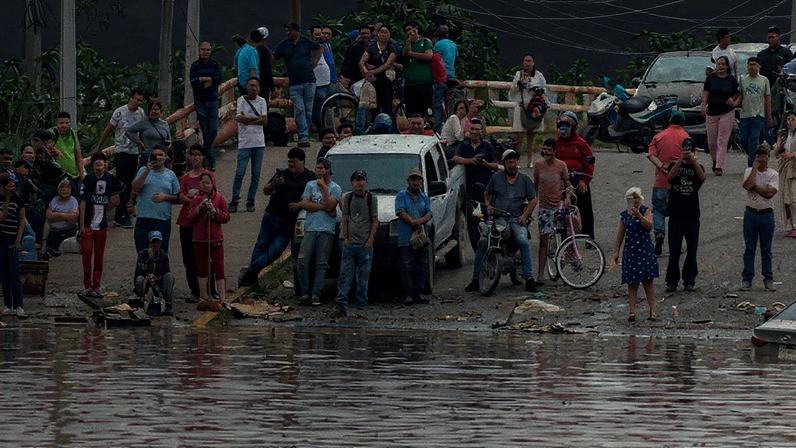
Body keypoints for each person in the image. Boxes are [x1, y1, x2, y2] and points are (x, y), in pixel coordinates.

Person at [465, 149, 539, 293]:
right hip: (499, 218)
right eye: (509, 162)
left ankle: (529, 278)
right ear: (504, 163)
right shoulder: (496, 178)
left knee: (523, 241)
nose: (512, 165)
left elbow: (533, 199)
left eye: (514, 162)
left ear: (518, 162)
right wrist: (489, 205)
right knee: (482, 241)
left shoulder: (525, 180)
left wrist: (524, 216)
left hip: (516, 219)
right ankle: (475, 278)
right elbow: (487, 193)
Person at [240, 147, 315, 286]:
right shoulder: (282, 174)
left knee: (275, 251)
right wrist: (275, 184)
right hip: (271, 216)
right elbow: (266, 190)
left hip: (287, 223)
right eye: (289, 162)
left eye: (294, 162)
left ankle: (250, 271)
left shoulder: (310, 177)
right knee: (261, 245)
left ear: (302, 162)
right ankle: (252, 278)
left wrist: (299, 205)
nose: (291, 165)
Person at [94, 88, 145, 229]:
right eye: (137, 99)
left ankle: (119, 216)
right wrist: (99, 145)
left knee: (129, 184)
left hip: (134, 152)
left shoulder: (141, 113)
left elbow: (142, 130)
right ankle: (125, 217)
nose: (139, 103)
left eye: (141, 100)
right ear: (131, 98)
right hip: (121, 151)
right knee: (122, 184)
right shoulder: (119, 112)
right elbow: (109, 129)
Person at [332, 170, 379, 318]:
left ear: (366, 181)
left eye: (361, 180)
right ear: (352, 182)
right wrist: (345, 238)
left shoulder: (371, 198)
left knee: (363, 278)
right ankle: (341, 307)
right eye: (356, 180)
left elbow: (375, 221)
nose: (359, 183)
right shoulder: (348, 198)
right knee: (345, 276)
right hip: (350, 245)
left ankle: (361, 308)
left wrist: (370, 240)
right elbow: (345, 219)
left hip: (365, 246)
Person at [295, 158, 341, 306]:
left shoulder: (335, 188)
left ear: (328, 170)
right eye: (317, 168)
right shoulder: (310, 185)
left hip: (326, 230)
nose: (319, 171)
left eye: (322, 168)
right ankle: (305, 293)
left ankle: (316, 294)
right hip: (310, 228)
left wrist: (325, 189)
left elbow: (331, 204)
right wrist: (323, 208)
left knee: (321, 263)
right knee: (302, 260)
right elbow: (304, 203)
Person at [79, 152, 124, 298]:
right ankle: (87, 285)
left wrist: (111, 199)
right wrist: (80, 225)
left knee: (99, 255)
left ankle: (96, 285)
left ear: (106, 163)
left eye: (101, 160)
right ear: (92, 164)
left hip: (102, 224)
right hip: (87, 223)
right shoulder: (88, 179)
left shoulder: (110, 178)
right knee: (86, 253)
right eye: (95, 160)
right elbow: (83, 202)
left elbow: (121, 188)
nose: (98, 163)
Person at [664, 138, 706, 293]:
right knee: (674, 250)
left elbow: (702, 178)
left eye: (689, 149)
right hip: (676, 214)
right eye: (684, 149)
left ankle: (689, 280)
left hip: (692, 214)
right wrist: (680, 160)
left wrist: (693, 161)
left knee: (692, 250)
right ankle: (672, 281)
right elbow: (669, 178)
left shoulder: (698, 166)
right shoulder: (674, 165)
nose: (687, 152)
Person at [451, 119, 499, 249]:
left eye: (477, 129)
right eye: (472, 129)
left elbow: (495, 165)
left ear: (481, 131)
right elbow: (455, 158)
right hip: (471, 192)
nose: (474, 132)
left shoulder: (487, 146)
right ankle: (479, 250)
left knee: (490, 220)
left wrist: (484, 164)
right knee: (473, 222)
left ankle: (492, 248)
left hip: (487, 192)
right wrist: (470, 161)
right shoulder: (464, 146)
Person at [274, 22, 323, 148]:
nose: (288, 33)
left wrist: (315, 62)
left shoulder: (306, 42)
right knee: (299, 110)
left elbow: (319, 48)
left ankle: (305, 133)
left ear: (297, 31)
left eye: (290, 30)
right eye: (287, 31)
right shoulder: (283, 45)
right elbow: (273, 58)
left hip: (309, 81)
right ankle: (303, 137)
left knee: (308, 111)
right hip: (294, 83)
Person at [613, 187, 658, 322]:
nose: (635, 201)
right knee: (632, 282)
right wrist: (616, 252)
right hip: (631, 251)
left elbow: (649, 226)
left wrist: (639, 215)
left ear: (641, 198)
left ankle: (652, 310)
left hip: (644, 250)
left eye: (636, 198)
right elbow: (620, 235)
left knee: (647, 281)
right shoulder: (625, 215)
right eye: (632, 199)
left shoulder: (646, 210)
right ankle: (631, 311)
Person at [646, 110, 688, 255]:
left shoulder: (658, 136)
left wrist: (662, 166)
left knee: (658, 209)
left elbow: (650, 155)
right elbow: (691, 158)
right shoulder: (686, 137)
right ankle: (676, 243)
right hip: (679, 182)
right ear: (683, 122)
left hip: (661, 182)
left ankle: (659, 233)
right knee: (678, 214)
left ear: (670, 121)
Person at [177, 145, 216, 302]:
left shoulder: (209, 175)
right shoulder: (185, 178)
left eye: (198, 155)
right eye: (192, 155)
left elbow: (213, 195)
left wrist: (193, 199)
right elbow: (181, 197)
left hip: (203, 222)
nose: (195, 158)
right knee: (189, 258)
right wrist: (195, 200)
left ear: (203, 157)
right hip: (186, 221)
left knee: (206, 256)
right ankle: (194, 290)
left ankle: (210, 289)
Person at [741, 145, 779, 291]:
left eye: (763, 156)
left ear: (767, 157)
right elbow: (746, 185)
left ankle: (768, 278)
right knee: (749, 248)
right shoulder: (749, 171)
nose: (760, 159)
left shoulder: (773, 174)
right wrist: (754, 170)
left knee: (766, 249)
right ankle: (747, 278)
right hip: (751, 213)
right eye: (758, 156)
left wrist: (754, 187)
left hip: (766, 214)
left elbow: (770, 193)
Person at [188, 172, 230, 302]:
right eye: (202, 183)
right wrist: (199, 208)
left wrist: (214, 211)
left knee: (219, 266)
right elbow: (190, 218)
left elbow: (226, 217)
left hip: (215, 238)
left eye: (208, 183)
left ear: (212, 184)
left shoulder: (219, 198)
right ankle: (203, 295)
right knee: (202, 267)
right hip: (200, 239)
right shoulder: (195, 199)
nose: (205, 185)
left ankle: (222, 295)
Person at [131, 145, 180, 253]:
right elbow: (135, 188)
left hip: (162, 219)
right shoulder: (143, 170)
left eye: (160, 155)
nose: (157, 157)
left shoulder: (171, 175)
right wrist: (147, 171)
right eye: (154, 155)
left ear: (166, 157)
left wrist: (165, 197)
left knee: (161, 253)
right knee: (142, 253)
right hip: (144, 218)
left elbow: (178, 198)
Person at [532, 138, 569, 283]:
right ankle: (540, 275)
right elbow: (534, 186)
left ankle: (567, 258)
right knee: (543, 242)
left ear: (554, 151)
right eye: (544, 149)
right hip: (545, 208)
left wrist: (566, 198)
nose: (545, 152)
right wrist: (531, 202)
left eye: (548, 150)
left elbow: (567, 184)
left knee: (567, 233)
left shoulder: (561, 166)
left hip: (559, 206)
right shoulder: (538, 165)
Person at [555, 111, 596, 239]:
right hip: (562, 181)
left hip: (578, 180)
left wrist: (585, 180)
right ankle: (565, 237)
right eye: (561, 124)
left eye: (567, 125)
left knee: (585, 208)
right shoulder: (556, 143)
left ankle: (588, 236)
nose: (563, 128)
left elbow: (590, 162)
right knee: (563, 209)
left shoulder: (581, 143)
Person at [396, 168, 433, 304]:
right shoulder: (401, 195)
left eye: (418, 179)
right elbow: (400, 212)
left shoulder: (425, 197)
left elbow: (429, 213)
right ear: (408, 181)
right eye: (413, 179)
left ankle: (419, 292)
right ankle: (408, 293)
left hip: (421, 237)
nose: (416, 182)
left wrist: (419, 222)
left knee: (421, 265)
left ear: (422, 182)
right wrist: (413, 222)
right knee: (407, 265)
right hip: (406, 238)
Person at [231, 77, 268, 213]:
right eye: (251, 85)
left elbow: (264, 121)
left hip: (259, 142)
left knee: (256, 174)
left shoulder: (262, 101)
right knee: (240, 172)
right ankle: (235, 199)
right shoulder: (241, 100)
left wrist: (248, 119)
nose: (254, 88)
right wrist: (255, 119)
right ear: (246, 87)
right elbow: (239, 118)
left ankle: (250, 200)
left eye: (256, 86)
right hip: (244, 142)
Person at [701, 56, 740, 176]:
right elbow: (706, 93)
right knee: (712, 142)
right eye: (719, 64)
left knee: (722, 140)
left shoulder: (731, 79)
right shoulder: (711, 78)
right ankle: (714, 160)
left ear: (727, 66)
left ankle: (719, 166)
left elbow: (738, 93)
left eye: (723, 64)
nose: (721, 67)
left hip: (726, 112)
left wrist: (733, 101)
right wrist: (703, 106)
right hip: (712, 112)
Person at [189, 41, 222, 170]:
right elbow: (194, 82)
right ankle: (209, 161)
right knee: (206, 130)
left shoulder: (215, 65)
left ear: (211, 51)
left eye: (208, 50)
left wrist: (204, 80)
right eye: (203, 49)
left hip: (213, 100)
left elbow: (218, 79)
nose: (205, 52)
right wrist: (208, 80)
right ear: (199, 50)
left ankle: (203, 152)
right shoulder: (195, 65)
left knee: (214, 130)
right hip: (200, 101)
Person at [510, 54, 547, 168]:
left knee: (531, 135)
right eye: (525, 61)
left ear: (533, 62)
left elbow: (544, 89)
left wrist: (538, 90)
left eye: (529, 61)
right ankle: (516, 161)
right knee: (519, 136)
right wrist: (518, 84)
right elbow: (512, 90)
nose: (527, 63)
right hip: (521, 106)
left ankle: (530, 160)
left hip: (534, 108)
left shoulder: (539, 75)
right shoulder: (518, 74)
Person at [738, 57, 773, 168]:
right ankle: (756, 156)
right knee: (743, 139)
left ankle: (752, 165)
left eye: (754, 64)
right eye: (750, 64)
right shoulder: (742, 79)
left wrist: (769, 115)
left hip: (758, 115)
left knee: (753, 140)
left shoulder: (764, 80)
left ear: (759, 66)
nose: (751, 67)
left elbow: (767, 98)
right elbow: (740, 96)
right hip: (745, 114)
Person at [0, 173, 25, 316]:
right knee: (4, 274)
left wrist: (18, 239)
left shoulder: (19, 200)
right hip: (1, 240)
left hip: (13, 239)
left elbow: (22, 220)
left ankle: (19, 305)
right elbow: (2, 218)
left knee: (15, 273)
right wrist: (7, 199)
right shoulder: (4, 199)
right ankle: (8, 304)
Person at [360, 25, 398, 120]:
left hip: (386, 81)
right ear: (377, 33)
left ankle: (389, 130)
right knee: (373, 108)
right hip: (373, 81)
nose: (383, 34)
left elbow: (388, 64)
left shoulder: (392, 47)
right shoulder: (372, 47)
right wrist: (365, 71)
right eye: (382, 32)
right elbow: (362, 62)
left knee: (387, 108)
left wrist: (373, 71)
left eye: (386, 32)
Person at [134, 230, 175, 316]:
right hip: (146, 281)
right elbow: (139, 270)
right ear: (149, 242)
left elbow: (166, 271)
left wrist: (156, 278)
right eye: (153, 242)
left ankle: (168, 304)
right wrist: (148, 275)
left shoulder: (164, 256)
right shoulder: (143, 254)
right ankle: (140, 302)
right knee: (139, 279)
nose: (155, 244)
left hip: (158, 281)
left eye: (158, 242)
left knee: (169, 276)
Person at [125, 100, 172, 168]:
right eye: (151, 109)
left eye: (155, 109)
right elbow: (129, 132)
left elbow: (169, 140)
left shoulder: (164, 124)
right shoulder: (144, 122)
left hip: (160, 158)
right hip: (147, 157)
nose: (153, 111)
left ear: (160, 111)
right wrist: (139, 142)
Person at [401, 21, 433, 117]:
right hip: (410, 85)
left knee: (426, 112)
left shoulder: (425, 41)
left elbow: (428, 56)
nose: (410, 32)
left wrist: (412, 54)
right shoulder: (405, 45)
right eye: (407, 30)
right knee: (411, 113)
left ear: (416, 28)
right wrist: (409, 42)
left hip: (425, 84)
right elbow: (405, 54)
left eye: (412, 29)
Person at [41, 178, 78, 259]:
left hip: (68, 232)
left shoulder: (73, 200)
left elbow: (73, 218)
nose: (65, 190)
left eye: (68, 187)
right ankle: (46, 248)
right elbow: (49, 217)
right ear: (58, 189)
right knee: (47, 224)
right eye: (62, 187)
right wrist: (65, 216)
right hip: (54, 232)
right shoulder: (54, 200)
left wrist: (57, 214)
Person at [431, 24, 458, 133]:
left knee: (437, 103)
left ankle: (437, 129)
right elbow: (456, 60)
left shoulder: (437, 45)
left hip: (441, 77)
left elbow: (434, 60)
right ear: (448, 34)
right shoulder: (453, 45)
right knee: (450, 104)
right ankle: (451, 129)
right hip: (451, 77)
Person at [774, 111, 796, 236]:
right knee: (786, 199)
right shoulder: (784, 135)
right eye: (788, 119)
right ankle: (792, 226)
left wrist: (792, 155)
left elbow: (790, 154)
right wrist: (778, 148)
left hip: (794, 170)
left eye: (792, 119)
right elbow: (776, 153)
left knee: (793, 198)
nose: (789, 122)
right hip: (785, 170)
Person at [50, 111, 84, 188]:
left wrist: (82, 177)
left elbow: (78, 156)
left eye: (66, 123)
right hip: (58, 176)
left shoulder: (73, 133)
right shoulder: (52, 133)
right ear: (57, 123)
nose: (64, 125)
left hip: (74, 176)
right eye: (61, 123)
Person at [311, 25, 332, 129]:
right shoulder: (311, 47)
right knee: (317, 107)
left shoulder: (326, 46)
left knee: (327, 106)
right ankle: (321, 129)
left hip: (326, 80)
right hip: (316, 81)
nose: (320, 37)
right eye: (317, 34)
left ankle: (327, 129)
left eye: (321, 34)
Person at [234, 30, 259, 95]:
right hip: (249, 87)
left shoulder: (239, 51)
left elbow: (236, 67)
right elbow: (253, 70)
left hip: (241, 85)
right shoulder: (252, 51)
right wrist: (254, 87)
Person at [254, 27, 275, 100]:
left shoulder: (251, 50)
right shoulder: (265, 51)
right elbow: (267, 70)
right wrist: (272, 88)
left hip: (250, 85)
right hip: (262, 85)